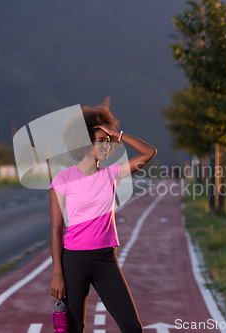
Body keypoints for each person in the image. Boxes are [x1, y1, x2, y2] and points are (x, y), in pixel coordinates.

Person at [49, 98, 157, 333]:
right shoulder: (62, 180)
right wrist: (58, 272)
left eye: (108, 142)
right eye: (101, 141)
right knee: (74, 329)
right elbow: (56, 229)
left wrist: (116, 134)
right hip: (73, 261)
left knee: (132, 327)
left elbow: (149, 152)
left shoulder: (112, 174)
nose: (107, 146)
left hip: (106, 259)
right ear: (84, 144)